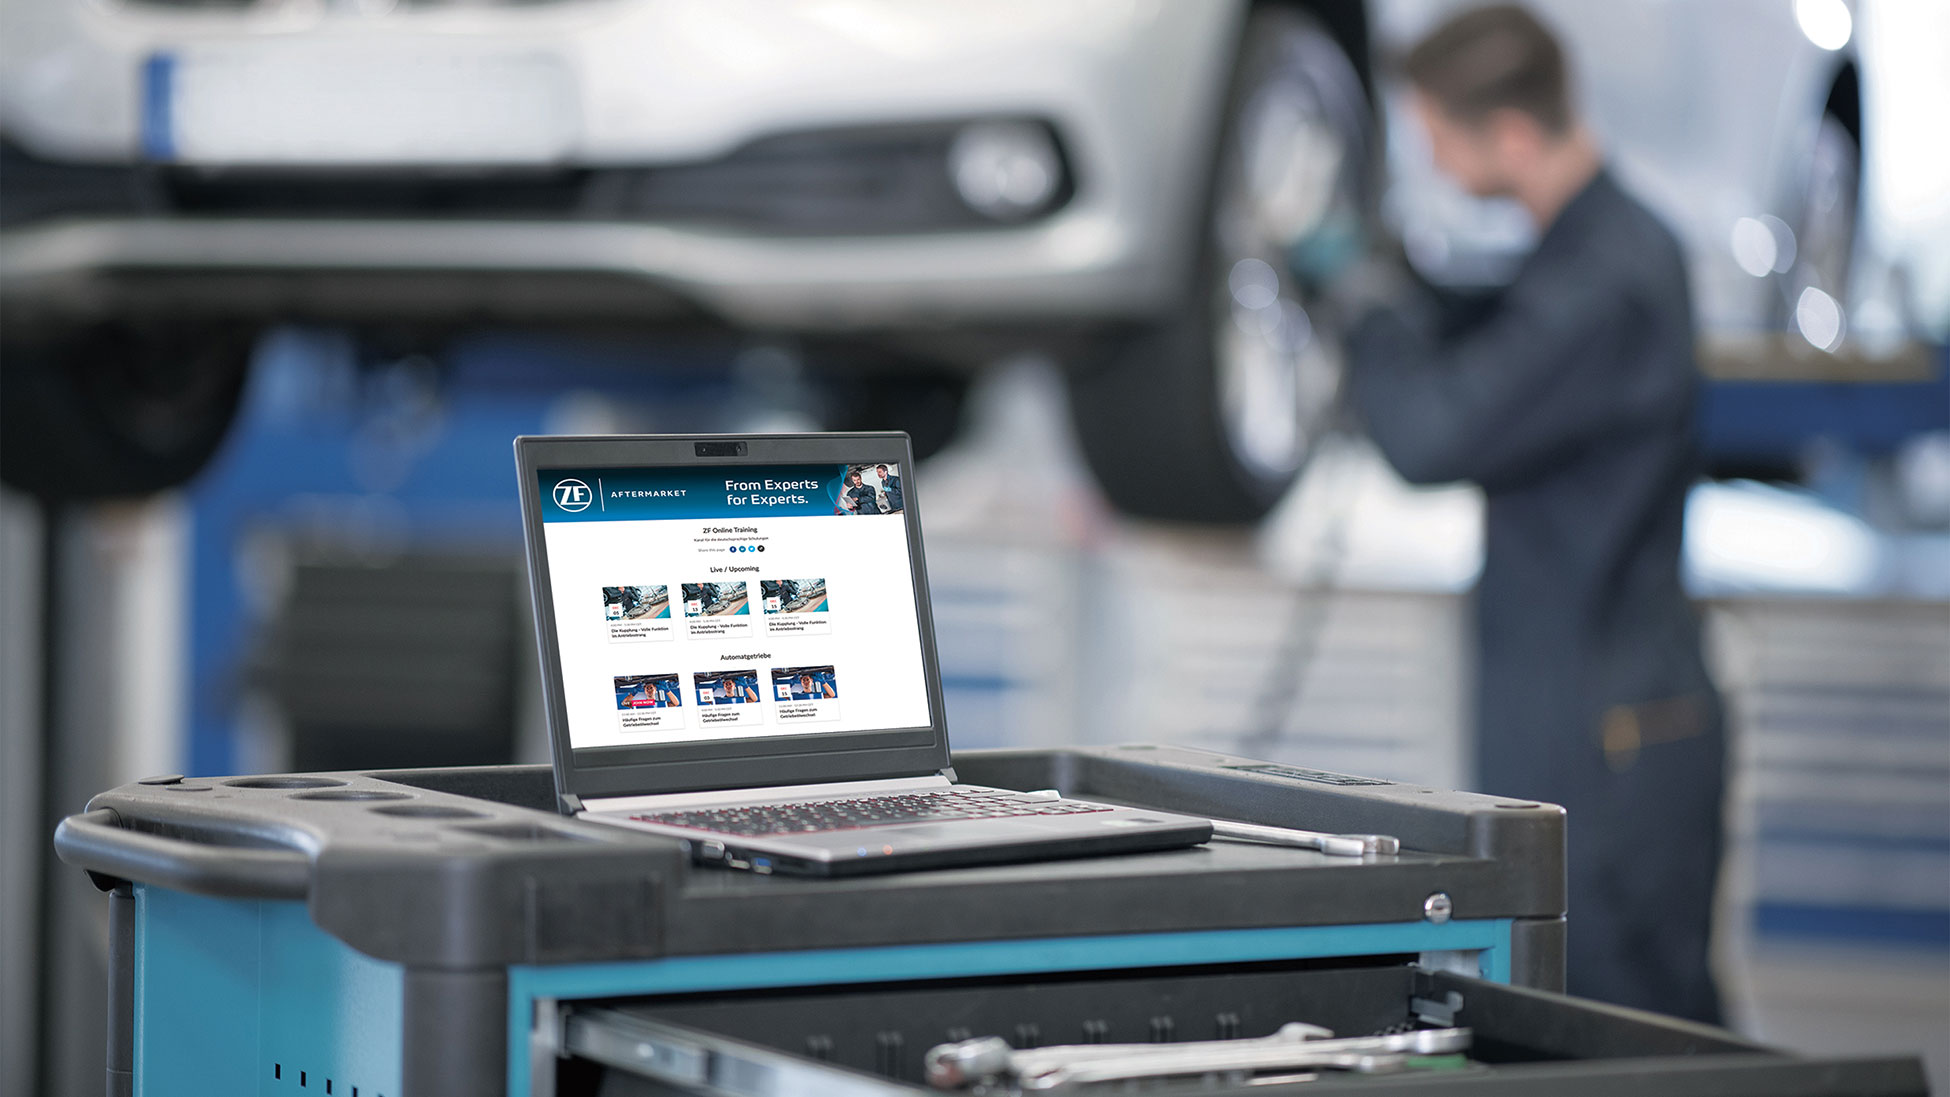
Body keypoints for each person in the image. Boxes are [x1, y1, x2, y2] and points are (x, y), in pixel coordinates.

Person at [1331, 5, 1724, 1023]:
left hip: (1608, 736)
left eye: (1440, 142)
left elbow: (1434, 431)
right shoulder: (1593, 249)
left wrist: (1366, 308)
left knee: (1621, 1022)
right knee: (1613, 1012)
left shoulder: (1608, 282)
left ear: (1510, 136)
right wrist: (1396, 280)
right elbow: (1495, 324)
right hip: (1591, 707)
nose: (1432, 161)